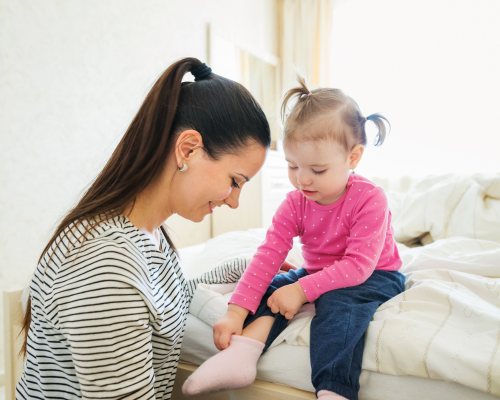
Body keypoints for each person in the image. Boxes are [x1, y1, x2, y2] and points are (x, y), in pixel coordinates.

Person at [16, 57, 271, 400]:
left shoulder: (148, 237)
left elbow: (165, 304)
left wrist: (247, 270)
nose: (234, 201)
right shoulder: (105, 263)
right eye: (234, 181)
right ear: (188, 149)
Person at [182, 75, 405, 400]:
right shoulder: (295, 202)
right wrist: (234, 313)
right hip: (317, 272)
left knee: (338, 305)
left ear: (353, 157)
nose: (302, 180)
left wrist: (302, 290)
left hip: (374, 275)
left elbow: (357, 267)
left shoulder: (370, 199)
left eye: (317, 170)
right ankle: (242, 355)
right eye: (291, 166)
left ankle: (333, 388)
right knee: (272, 288)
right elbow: (267, 256)